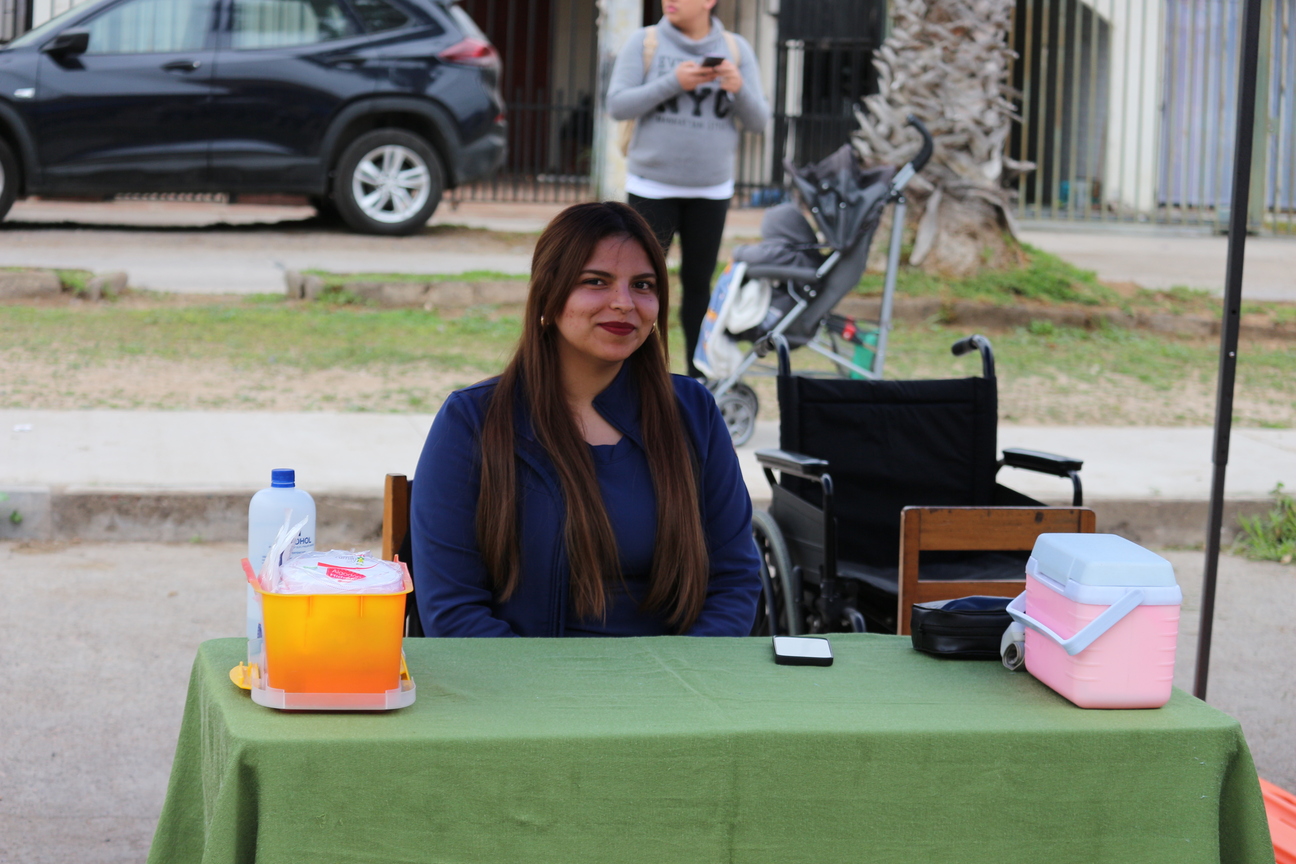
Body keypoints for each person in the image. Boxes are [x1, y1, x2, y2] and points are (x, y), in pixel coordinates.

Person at [410, 202, 761, 637]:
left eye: (643, 285)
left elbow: (734, 581)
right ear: (548, 293)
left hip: (680, 674)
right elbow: (452, 611)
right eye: (596, 282)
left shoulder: (693, 411)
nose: (623, 303)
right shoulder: (472, 421)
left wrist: (685, 675)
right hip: (520, 676)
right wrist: (546, 683)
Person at [607, 0, 770, 378]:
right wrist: (674, 82)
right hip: (651, 187)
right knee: (639, 285)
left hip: (710, 191)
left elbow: (759, 121)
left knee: (698, 288)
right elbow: (617, 105)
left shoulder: (736, 49)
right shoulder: (645, 42)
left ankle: (697, 382)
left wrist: (738, 86)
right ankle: (630, 376)